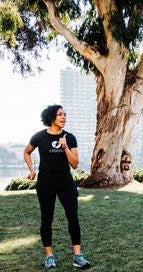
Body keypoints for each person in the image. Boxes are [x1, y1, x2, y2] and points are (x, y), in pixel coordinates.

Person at [23, 105, 91, 269]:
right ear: (51, 117)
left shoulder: (70, 137)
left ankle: (78, 256)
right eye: (60, 114)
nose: (64, 117)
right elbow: (27, 152)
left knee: (72, 217)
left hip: (65, 182)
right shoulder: (39, 137)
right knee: (46, 219)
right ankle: (49, 256)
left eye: (65, 115)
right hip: (45, 183)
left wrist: (65, 146)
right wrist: (32, 170)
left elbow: (75, 164)